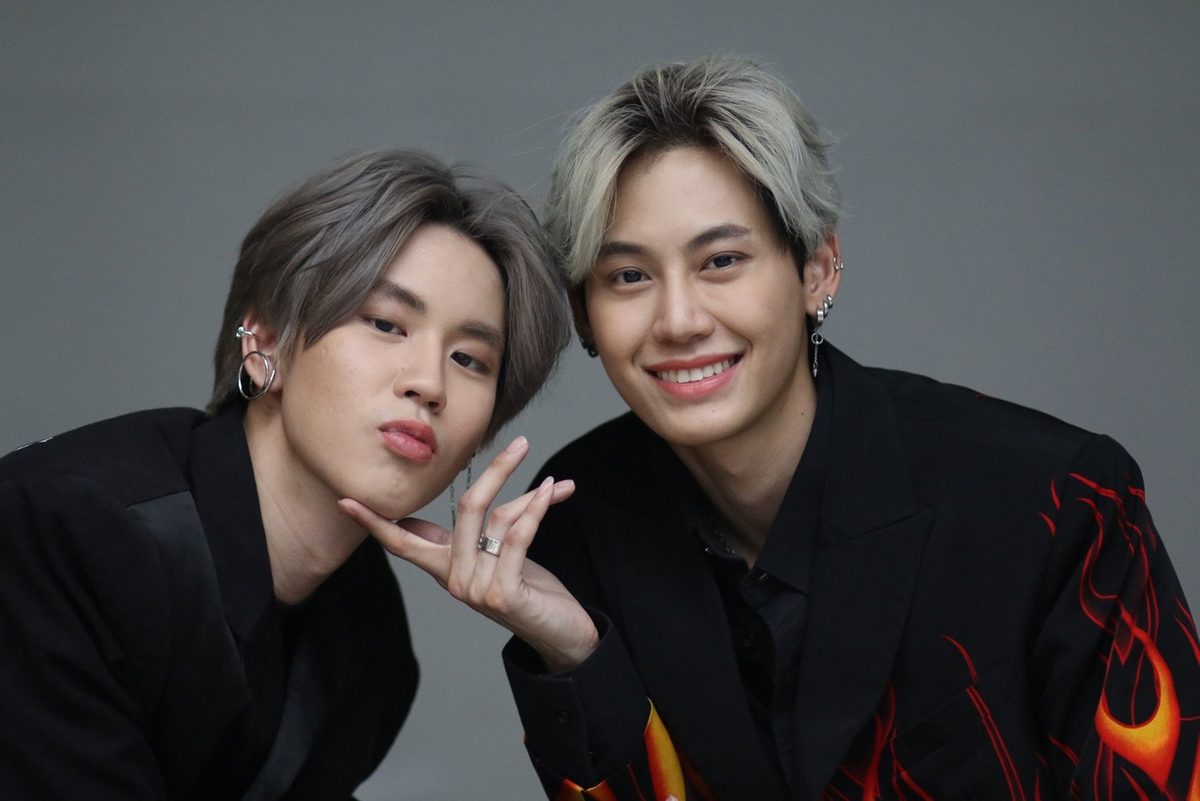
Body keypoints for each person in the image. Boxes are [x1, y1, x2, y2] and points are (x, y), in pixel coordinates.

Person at [353, 58, 1200, 799]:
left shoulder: (1054, 501)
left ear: (816, 269)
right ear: (584, 313)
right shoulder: (576, 526)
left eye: (722, 261)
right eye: (629, 276)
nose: (679, 320)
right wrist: (576, 653)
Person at [0, 148, 570, 799]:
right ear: (265, 339)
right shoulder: (69, 530)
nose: (430, 383)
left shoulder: (369, 638)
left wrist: (571, 651)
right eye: (387, 323)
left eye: (469, 359)